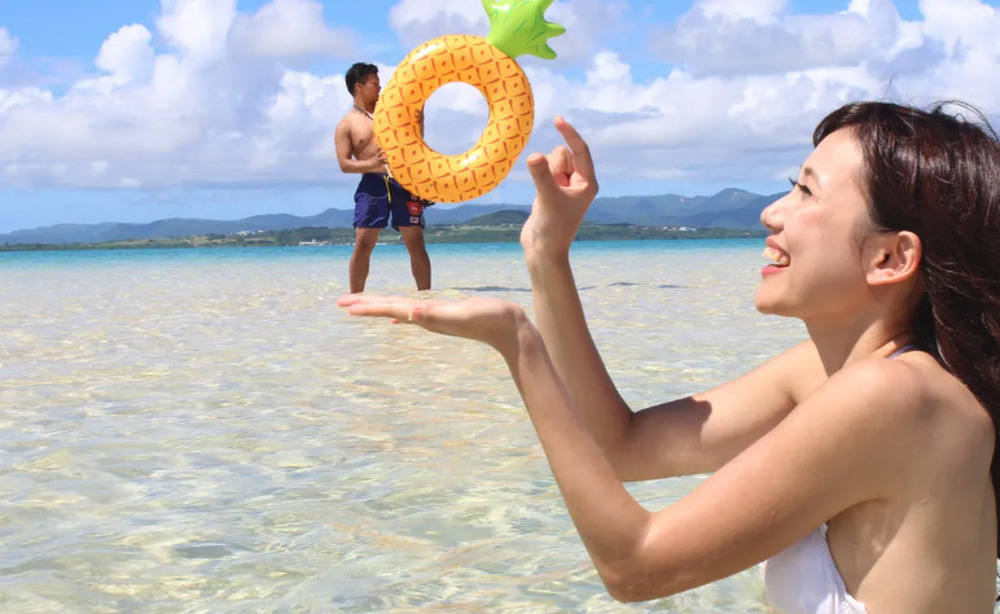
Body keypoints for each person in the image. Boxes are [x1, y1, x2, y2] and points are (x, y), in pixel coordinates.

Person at [338, 102, 1000, 613]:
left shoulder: (897, 398)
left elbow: (635, 567)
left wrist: (518, 343)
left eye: (805, 192)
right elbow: (617, 447)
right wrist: (546, 254)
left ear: (890, 257)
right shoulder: (830, 375)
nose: (771, 214)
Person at [334, 62, 431, 293]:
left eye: (379, 83)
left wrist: (420, 123)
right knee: (364, 244)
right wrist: (372, 164)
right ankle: (356, 298)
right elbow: (344, 164)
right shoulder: (346, 125)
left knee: (415, 242)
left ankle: (425, 298)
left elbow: (414, 143)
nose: (380, 87)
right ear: (358, 87)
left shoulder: (393, 112)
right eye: (374, 84)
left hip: (402, 181)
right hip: (372, 184)